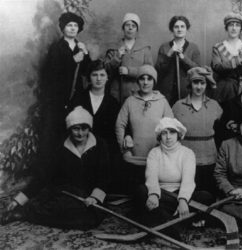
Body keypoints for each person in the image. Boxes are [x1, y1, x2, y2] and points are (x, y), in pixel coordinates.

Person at [0, 106, 110, 230]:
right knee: (65, 207)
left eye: (84, 128)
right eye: (76, 129)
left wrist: (94, 197)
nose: (80, 133)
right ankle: (23, 213)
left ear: (89, 128)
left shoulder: (100, 145)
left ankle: (33, 213)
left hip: (92, 195)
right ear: (69, 129)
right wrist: (19, 200)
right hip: (70, 194)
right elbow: (43, 176)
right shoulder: (61, 148)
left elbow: (104, 175)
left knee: (90, 220)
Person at [135, 117, 214, 239]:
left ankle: (161, 220)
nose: (168, 137)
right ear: (159, 136)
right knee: (141, 191)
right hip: (161, 195)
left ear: (178, 135)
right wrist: (154, 194)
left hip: (179, 195)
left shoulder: (187, 153)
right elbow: (151, 178)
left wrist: (183, 200)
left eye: (172, 132)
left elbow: (188, 181)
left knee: (206, 196)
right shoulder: (154, 153)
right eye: (164, 133)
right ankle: (175, 228)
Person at [39, 12, 92, 167]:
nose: (73, 28)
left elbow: (87, 71)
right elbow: (52, 74)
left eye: (75, 26)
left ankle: (68, 176)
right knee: (53, 138)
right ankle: (50, 176)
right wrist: (72, 60)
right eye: (69, 25)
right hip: (57, 100)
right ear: (63, 28)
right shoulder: (56, 48)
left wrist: (86, 54)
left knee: (72, 137)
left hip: (75, 100)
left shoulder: (80, 47)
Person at [115, 65, 173, 192]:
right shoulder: (130, 101)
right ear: (137, 81)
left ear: (154, 82)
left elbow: (171, 128)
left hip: (156, 158)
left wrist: (165, 150)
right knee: (137, 193)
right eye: (142, 78)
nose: (145, 82)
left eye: (149, 79)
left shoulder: (162, 102)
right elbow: (119, 125)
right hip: (134, 159)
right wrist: (124, 150)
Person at [69, 60, 121, 191]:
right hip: (81, 146)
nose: (98, 79)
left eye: (102, 75)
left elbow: (115, 132)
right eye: (94, 75)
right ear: (88, 78)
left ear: (108, 77)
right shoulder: (79, 98)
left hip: (105, 151)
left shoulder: (113, 102)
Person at [172, 67, 222, 195]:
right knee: (188, 195)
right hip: (185, 159)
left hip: (209, 159)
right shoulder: (178, 106)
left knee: (207, 196)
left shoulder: (214, 105)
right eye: (195, 82)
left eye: (202, 83)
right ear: (190, 84)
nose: (199, 87)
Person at [104, 13, 153, 103]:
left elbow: (150, 72)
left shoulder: (145, 49)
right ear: (123, 28)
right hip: (116, 94)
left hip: (138, 92)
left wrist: (129, 71)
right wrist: (117, 57)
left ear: (137, 29)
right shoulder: (113, 47)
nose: (130, 28)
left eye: (133, 26)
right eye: (127, 25)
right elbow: (106, 70)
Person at [155, 16, 201, 105]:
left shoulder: (193, 48)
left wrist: (183, 58)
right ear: (172, 29)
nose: (179, 29)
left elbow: (198, 70)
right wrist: (169, 54)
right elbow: (158, 71)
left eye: (182, 26)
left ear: (187, 29)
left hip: (187, 92)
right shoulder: (164, 47)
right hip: (166, 93)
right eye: (176, 27)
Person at [211, 12, 242, 104]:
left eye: (237, 25)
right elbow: (217, 67)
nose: (234, 28)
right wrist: (238, 60)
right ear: (226, 28)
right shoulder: (218, 47)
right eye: (231, 25)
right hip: (225, 89)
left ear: (241, 29)